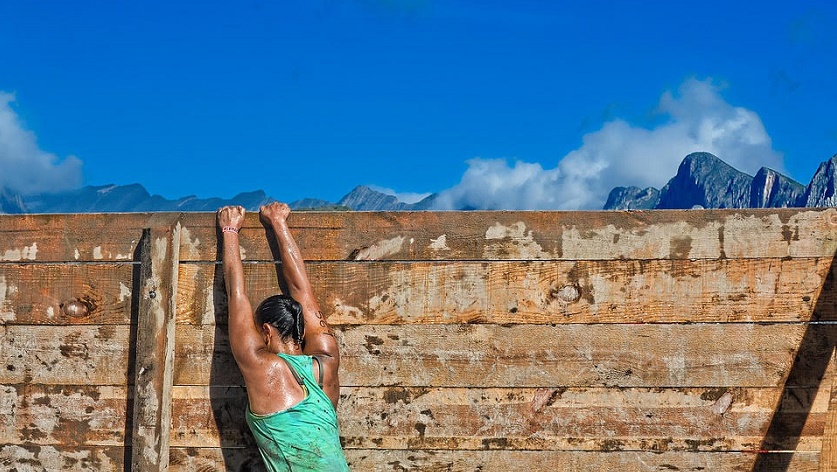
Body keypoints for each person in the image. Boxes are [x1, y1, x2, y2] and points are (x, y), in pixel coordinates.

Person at [217, 202, 350, 471]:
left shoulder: (262, 367)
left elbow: (237, 295)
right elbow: (302, 291)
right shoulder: (327, 361)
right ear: (302, 329)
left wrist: (230, 230)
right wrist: (278, 222)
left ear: (266, 331)